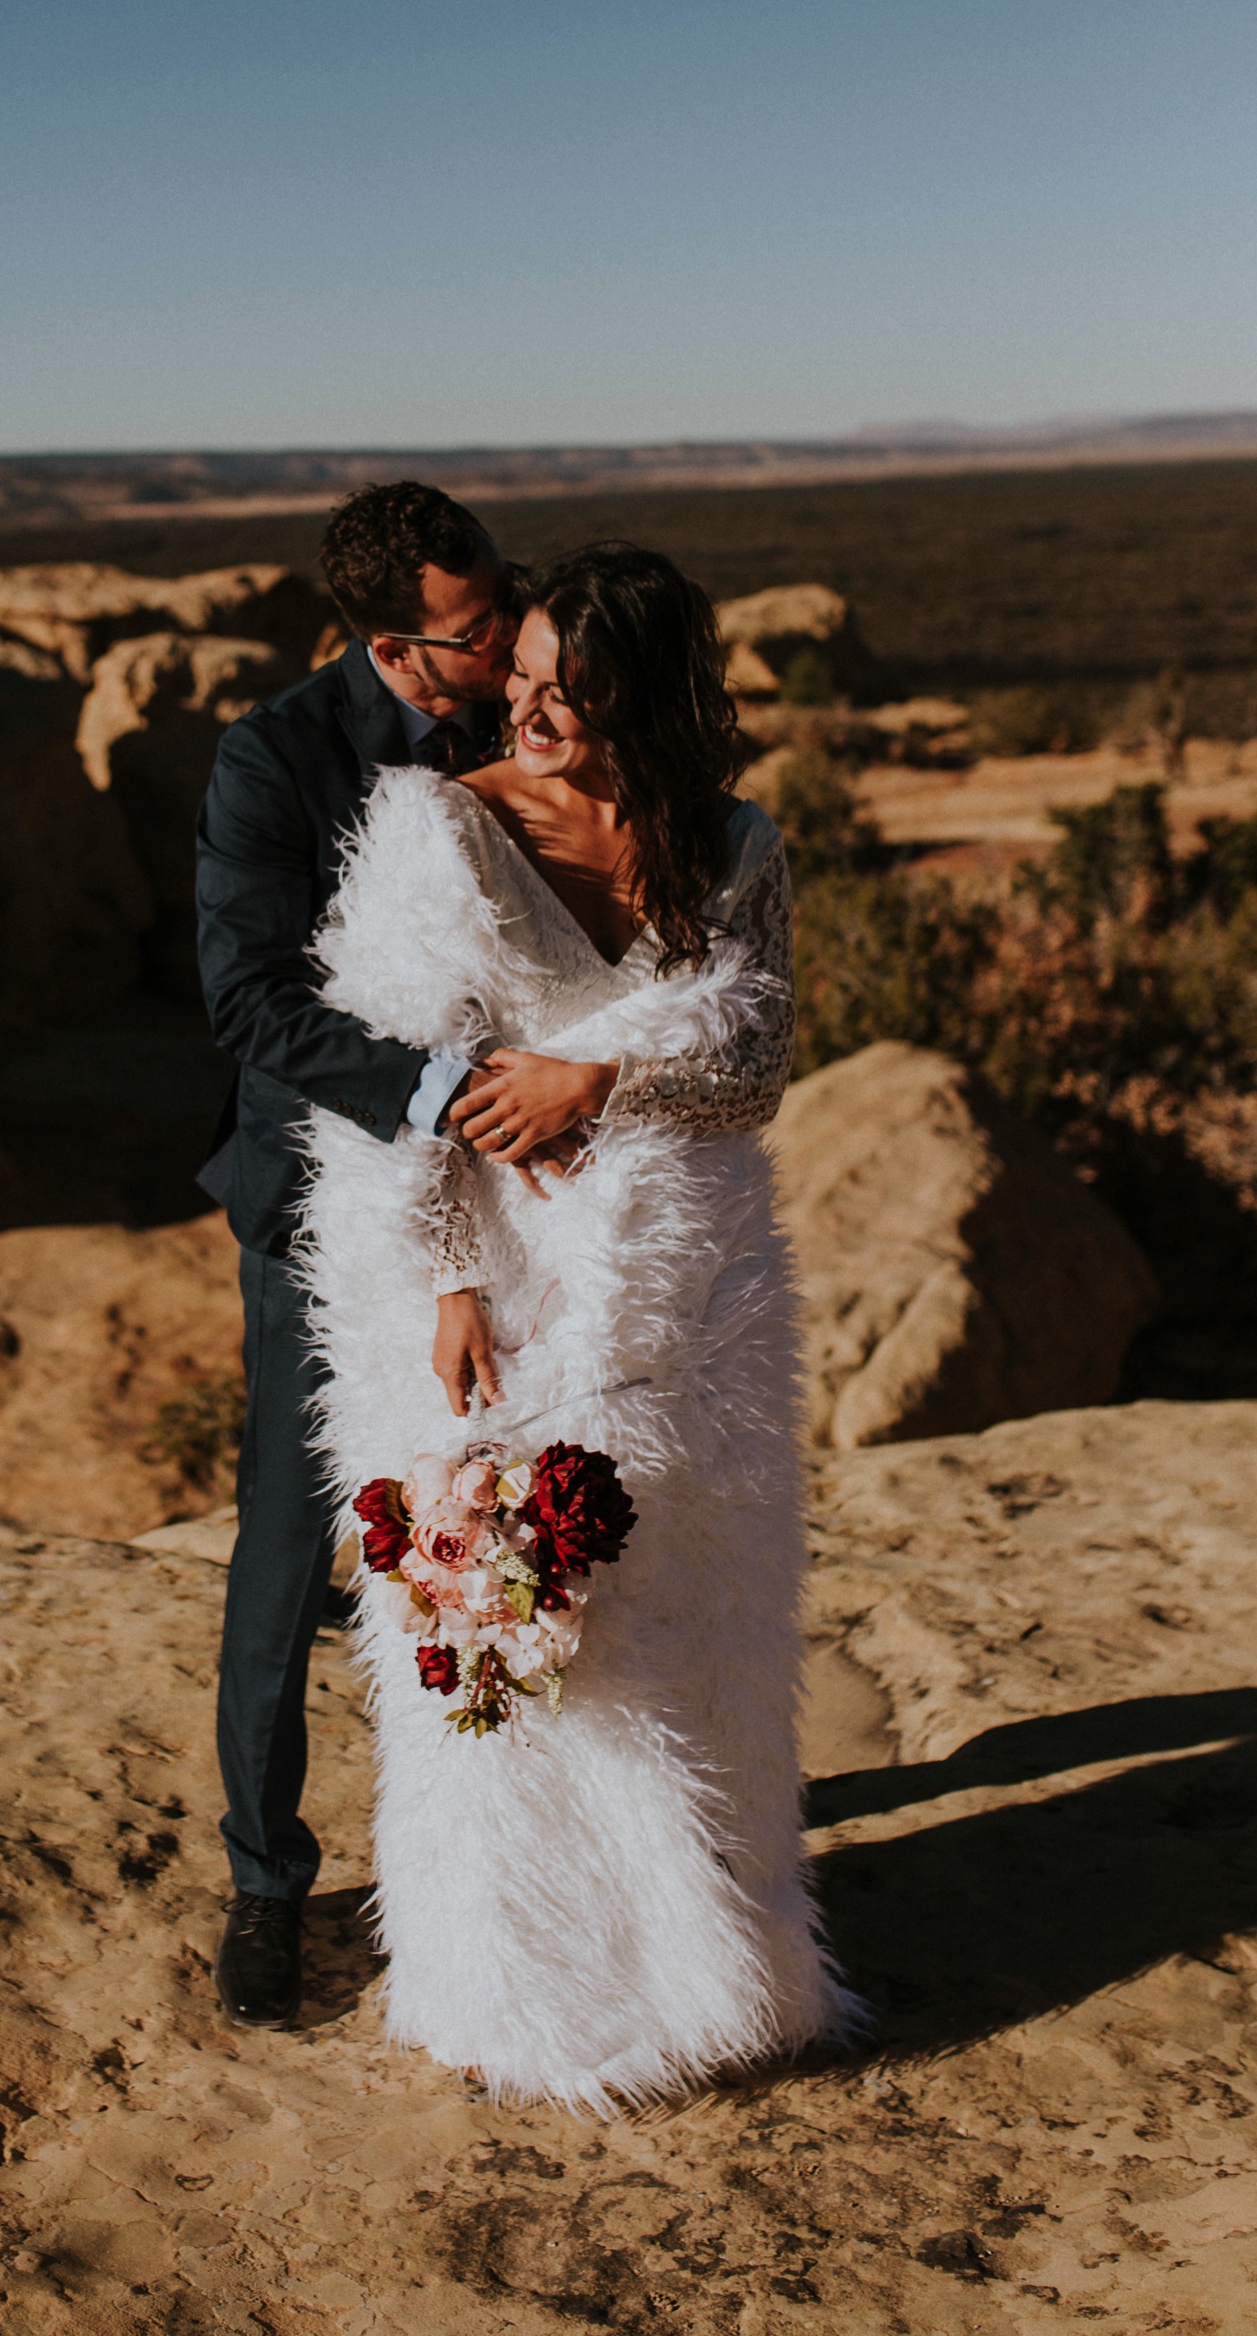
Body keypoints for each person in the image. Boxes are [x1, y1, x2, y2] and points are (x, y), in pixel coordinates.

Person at [297, 541, 860, 2107]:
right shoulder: (443, 828)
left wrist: (599, 1081)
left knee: (692, 1624)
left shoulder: (735, 845)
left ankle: (716, 1976)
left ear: (658, 700)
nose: (532, 713)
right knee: (520, 1624)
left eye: (573, 692)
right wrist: (446, 1286)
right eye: (524, 680)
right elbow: (389, 1100)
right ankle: (519, 1992)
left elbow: (754, 1070)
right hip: (498, 1286)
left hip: (692, 1301)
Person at [195, 483, 597, 2028]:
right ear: (391, 644)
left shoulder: (541, 726)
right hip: (325, 1195)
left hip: (526, 1201)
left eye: (504, 598)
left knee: (513, 1524)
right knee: (296, 1550)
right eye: (477, 625)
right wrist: (444, 1098)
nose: (507, 641)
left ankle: (503, 1870)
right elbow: (252, 1004)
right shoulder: (272, 759)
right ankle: (264, 1883)